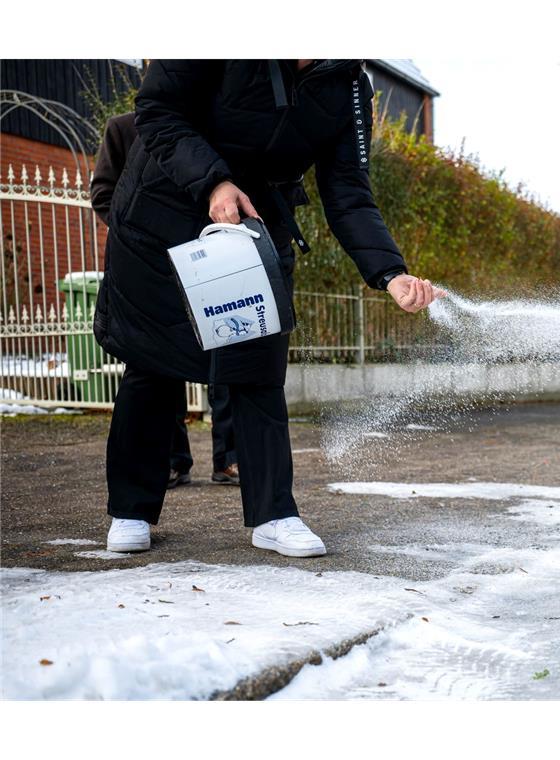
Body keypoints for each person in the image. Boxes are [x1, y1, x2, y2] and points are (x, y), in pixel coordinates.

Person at [94, 60, 442, 557]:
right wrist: (213, 182)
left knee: (258, 368)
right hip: (161, 212)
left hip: (256, 223)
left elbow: (348, 191)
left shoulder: (348, 86)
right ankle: (130, 508)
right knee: (153, 363)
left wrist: (390, 273)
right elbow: (158, 111)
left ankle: (274, 514)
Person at [90, 113, 240, 491]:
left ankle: (230, 458)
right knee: (157, 363)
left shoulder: (211, 123)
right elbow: (103, 193)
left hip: (209, 259)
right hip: (150, 264)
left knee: (225, 350)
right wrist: (139, 235)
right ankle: (173, 461)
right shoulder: (124, 128)